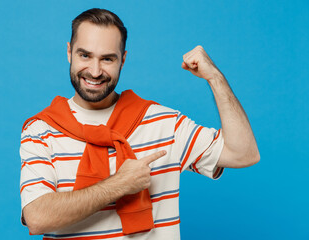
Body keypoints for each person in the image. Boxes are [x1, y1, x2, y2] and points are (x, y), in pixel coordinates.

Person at [19, 8, 260, 239]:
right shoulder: (41, 131)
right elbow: (37, 217)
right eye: (85, 55)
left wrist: (215, 78)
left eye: (107, 59)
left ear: (123, 60)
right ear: (69, 52)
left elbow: (244, 154)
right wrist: (119, 184)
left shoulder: (164, 122)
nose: (94, 71)